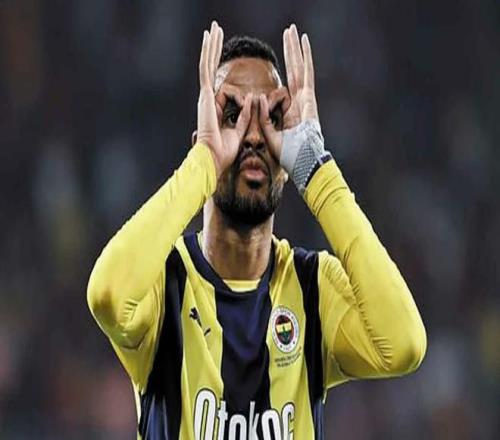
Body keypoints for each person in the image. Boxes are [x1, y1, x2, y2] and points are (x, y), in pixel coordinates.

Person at [87, 21, 427, 440]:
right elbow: (107, 295)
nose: (252, 136)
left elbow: (403, 345)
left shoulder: (312, 288)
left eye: (272, 118)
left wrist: (315, 169)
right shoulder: (165, 283)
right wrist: (205, 161)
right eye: (232, 115)